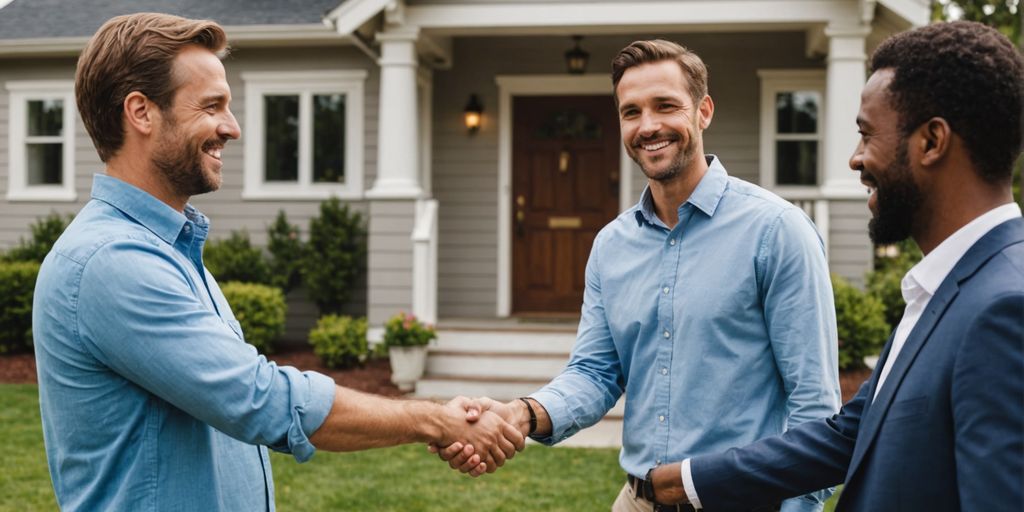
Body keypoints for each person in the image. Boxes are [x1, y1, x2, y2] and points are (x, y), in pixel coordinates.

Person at [32, 12, 521, 511]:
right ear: (141, 112)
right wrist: (434, 420)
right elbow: (262, 400)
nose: (233, 127)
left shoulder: (168, 249)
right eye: (212, 106)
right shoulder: (110, 261)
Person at [440, 39, 842, 511]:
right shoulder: (612, 246)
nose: (648, 126)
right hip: (637, 499)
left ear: (703, 111)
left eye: (665, 106)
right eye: (631, 112)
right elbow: (595, 373)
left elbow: (813, 403)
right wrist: (521, 414)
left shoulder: (776, 231)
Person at [644, 20, 1024, 511]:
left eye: (867, 135)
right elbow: (851, 435)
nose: (854, 159)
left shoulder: (1004, 311)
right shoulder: (947, 286)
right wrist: (689, 480)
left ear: (931, 142)